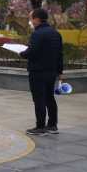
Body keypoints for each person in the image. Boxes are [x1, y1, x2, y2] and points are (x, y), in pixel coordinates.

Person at [20, 8, 63, 136]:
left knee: (39, 99)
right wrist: (60, 71)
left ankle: (40, 127)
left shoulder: (37, 34)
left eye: (31, 18)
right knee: (50, 98)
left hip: (38, 72)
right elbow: (60, 54)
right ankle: (52, 125)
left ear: (37, 19)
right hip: (51, 72)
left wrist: (22, 53)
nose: (30, 21)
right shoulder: (55, 33)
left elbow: (32, 52)